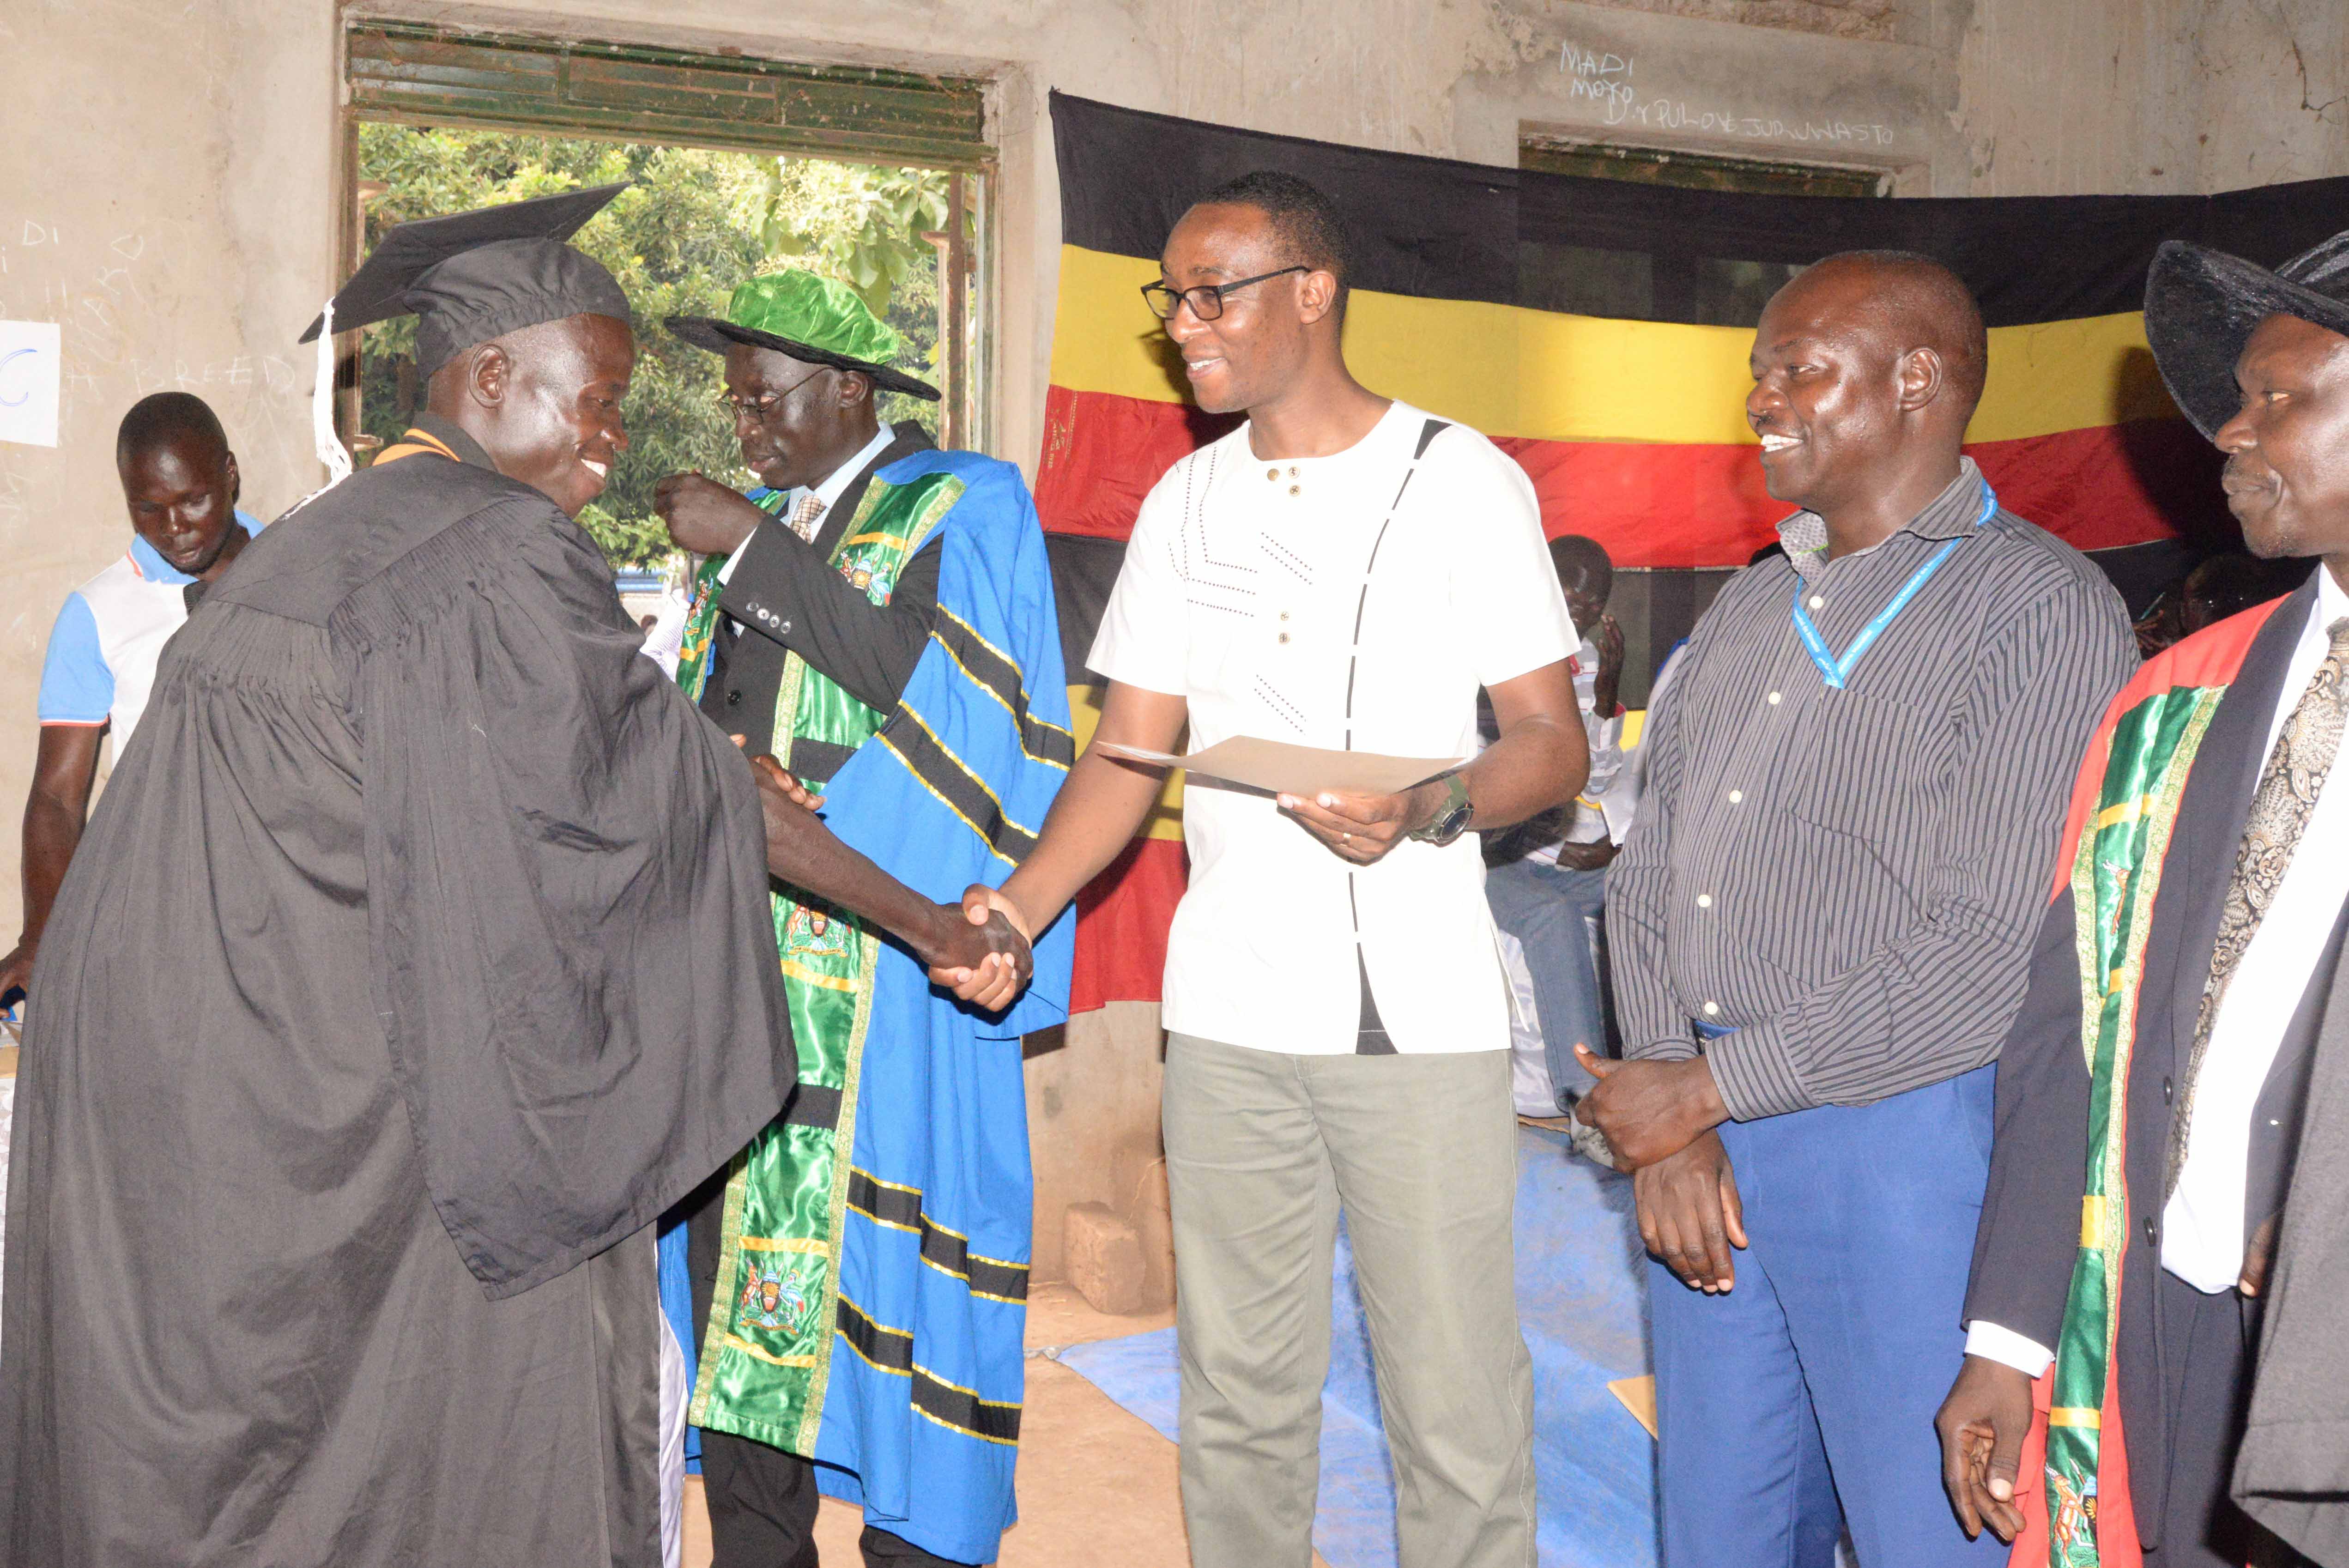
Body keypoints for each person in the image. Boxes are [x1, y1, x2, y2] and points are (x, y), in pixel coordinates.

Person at [0, 188, 1016, 1568]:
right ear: (489, 378)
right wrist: (931, 925)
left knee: (220, 1459)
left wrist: (683, 765)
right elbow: (682, 801)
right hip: (300, 1103)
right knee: (441, 1427)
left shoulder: (312, 540)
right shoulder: (494, 550)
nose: (611, 443)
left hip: (169, 1085)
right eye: (594, 401)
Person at [948, 170, 1587, 1568]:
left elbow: (1551, 744)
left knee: (1455, 1407)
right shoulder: (1185, 499)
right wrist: (1014, 906)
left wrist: (1426, 806)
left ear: (1313, 290)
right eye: (1169, 297)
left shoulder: (1458, 479)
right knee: (1235, 1395)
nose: (1183, 323)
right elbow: (1126, 755)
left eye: (1211, 290)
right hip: (1229, 1017)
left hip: (1413, 1025)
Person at [1580, 249, 2136, 1567]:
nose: (1761, 397)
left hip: (1901, 1141)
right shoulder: (1748, 609)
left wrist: (1706, 1088)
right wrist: (1672, 1118)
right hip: (1704, 1145)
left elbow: (1981, 960)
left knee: (1922, 1526)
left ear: (1916, 382)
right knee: (1723, 1528)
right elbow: (1651, 870)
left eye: (1797, 367)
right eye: (1757, 370)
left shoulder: (2039, 610)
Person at [1939, 230, 2349, 1568]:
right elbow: (2066, 1030)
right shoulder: (2173, 699)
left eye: (2278, 396)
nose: (2229, 429)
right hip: (2158, 1314)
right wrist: (2007, 1333)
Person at [653, 268, 1072, 1568]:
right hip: (745, 972)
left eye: (764, 399)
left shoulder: (965, 498)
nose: (748, 429)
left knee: (890, 1289)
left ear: (846, 388)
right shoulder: (772, 517)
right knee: (742, 1291)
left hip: (887, 972)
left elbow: (946, 696)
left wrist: (751, 550)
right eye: (734, 406)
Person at [0, 392, 260, 999]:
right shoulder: (96, 612)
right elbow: (58, 797)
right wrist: (43, 931)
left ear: (229, 473)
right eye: (148, 508)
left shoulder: (300, 568)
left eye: (193, 499)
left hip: (284, 898)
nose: (175, 527)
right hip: (164, 908)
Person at [1482, 533, 1629, 1115]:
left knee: (1645, 886)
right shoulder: (1487, 657)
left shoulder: (1587, 660)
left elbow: (1591, 781)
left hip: (1555, 852)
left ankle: (1653, 1067)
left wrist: (1604, 699)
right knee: (1551, 917)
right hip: (1487, 859)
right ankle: (1584, 1099)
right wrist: (1554, 850)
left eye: (1595, 599)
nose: (1581, 605)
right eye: (1570, 585)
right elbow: (1474, 787)